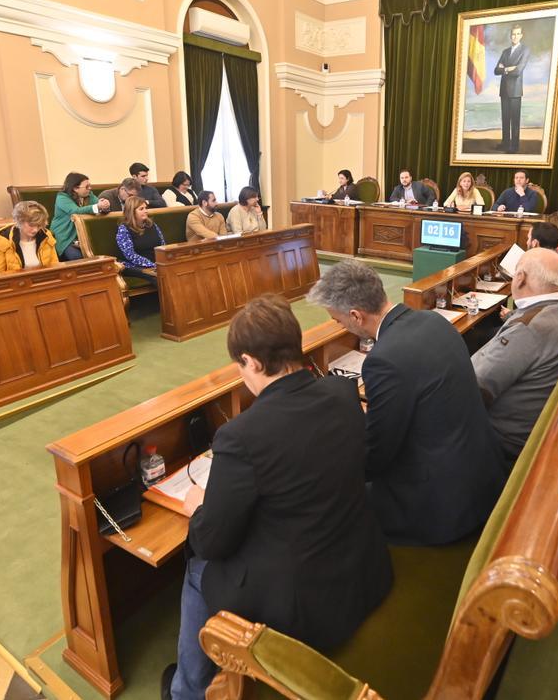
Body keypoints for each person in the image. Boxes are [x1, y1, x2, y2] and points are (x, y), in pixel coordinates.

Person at [166, 295, 393, 700]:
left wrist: (200, 506)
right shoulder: (342, 395)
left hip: (303, 607)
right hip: (361, 566)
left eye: (240, 366)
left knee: (198, 566)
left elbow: (213, 541)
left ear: (251, 362)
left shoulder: (240, 436)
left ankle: (189, 689)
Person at [307, 261, 505, 545]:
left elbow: (379, 451)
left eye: (339, 321)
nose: (340, 326)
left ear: (356, 315)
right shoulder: (434, 321)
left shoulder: (383, 360)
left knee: (330, 497)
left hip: (440, 505)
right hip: (480, 476)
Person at [472, 249, 558, 462]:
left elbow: (476, 387)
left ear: (520, 279)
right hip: (528, 425)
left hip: (501, 439)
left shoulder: (529, 328)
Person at [52, 172, 111, 261]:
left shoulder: (89, 195)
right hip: (66, 237)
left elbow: (98, 205)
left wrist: (105, 205)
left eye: (90, 185)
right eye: (87, 187)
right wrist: (98, 206)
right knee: (77, 257)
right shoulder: (62, 197)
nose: (90, 188)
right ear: (75, 188)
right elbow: (75, 211)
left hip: (83, 236)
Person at [0, 201, 58, 273]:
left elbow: (55, 267)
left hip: (43, 280)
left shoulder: (46, 236)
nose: (35, 230)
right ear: (20, 221)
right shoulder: (2, 240)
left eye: (38, 225)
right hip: (15, 282)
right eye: (31, 225)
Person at [115, 196, 165, 286]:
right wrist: (152, 265)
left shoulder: (152, 225)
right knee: (160, 277)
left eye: (146, 208)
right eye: (141, 209)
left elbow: (163, 245)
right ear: (132, 212)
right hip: (134, 265)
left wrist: (163, 262)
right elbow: (130, 255)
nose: (146, 211)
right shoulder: (124, 229)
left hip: (155, 263)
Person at [494, 23, 529, 153]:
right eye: (513, 34)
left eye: (517, 34)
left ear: (521, 35)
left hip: (515, 91)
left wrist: (505, 68)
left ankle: (514, 146)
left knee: (515, 120)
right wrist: (509, 68)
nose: (515, 36)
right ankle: (505, 143)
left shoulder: (525, 50)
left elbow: (518, 71)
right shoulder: (505, 52)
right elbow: (496, 70)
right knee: (505, 119)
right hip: (504, 90)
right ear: (510, 36)